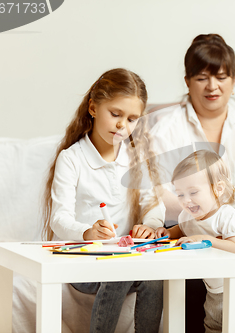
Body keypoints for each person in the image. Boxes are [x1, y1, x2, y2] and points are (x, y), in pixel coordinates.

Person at [149, 33, 235, 330]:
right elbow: (161, 191)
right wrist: (205, 224)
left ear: (233, 80)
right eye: (202, 78)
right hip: (192, 220)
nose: (213, 86)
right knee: (187, 248)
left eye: (221, 77)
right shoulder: (167, 128)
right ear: (187, 81)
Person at [42, 68, 164, 333]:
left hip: (125, 258)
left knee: (153, 277)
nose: (123, 126)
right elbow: (60, 219)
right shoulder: (72, 159)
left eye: (132, 119)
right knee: (119, 270)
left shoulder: (134, 158)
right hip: (83, 261)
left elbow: (153, 203)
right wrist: (87, 232)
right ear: (93, 108)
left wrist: (150, 224)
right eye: (116, 114)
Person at [155, 150, 235, 333]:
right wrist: (167, 231)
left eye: (193, 192)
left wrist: (207, 240)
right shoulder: (186, 216)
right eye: (180, 194)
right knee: (212, 327)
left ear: (218, 189)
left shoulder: (226, 215)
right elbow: (182, 229)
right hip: (214, 292)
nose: (186, 201)